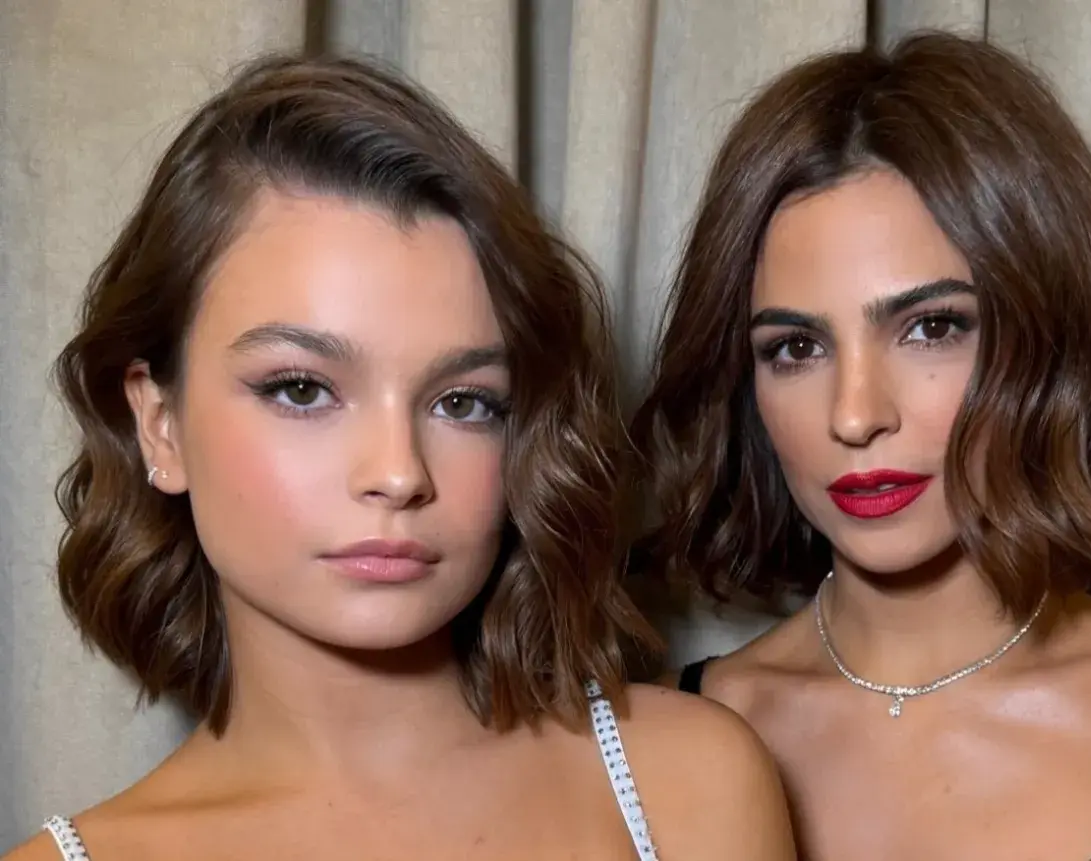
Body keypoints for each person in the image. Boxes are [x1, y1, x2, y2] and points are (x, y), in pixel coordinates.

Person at [3, 55, 795, 861]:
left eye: (463, 402)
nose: (398, 472)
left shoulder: (688, 782)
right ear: (159, 424)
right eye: (302, 389)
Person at [631, 31, 1091, 861]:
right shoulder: (643, 760)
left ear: (1047, 342)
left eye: (931, 328)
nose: (856, 416)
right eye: (796, 348)